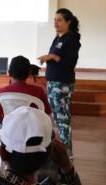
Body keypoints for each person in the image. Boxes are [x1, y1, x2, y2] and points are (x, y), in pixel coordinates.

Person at [39, 8, 81, 154]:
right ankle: (62, 151)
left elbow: (69, 63)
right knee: (57, 118)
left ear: (68, 22)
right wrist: (48, 58)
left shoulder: (72, 39)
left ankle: (67, 153)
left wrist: (52, 57)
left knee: (63, 119)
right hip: (53, 82)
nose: (56, 23)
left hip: (62, 83)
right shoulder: (58, 38)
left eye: (59, 20)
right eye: (54, 20)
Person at [0, 55, 52, 124]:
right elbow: (47, 115)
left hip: (8, 133)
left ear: (9, 73)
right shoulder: (39, 91)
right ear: (29, 73)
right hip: (33, 133)